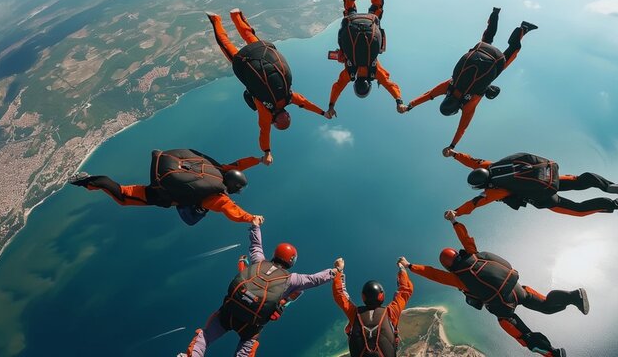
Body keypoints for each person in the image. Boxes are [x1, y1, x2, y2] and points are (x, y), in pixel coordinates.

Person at [399, 217, 589, 357]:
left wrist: (409, 266)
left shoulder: (458, 279)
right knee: (547, 305)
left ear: (448, 267)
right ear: (457, 254)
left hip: (503, 306)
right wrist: (454, 221)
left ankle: (553, 354)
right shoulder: (475, 254)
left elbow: (432, 273)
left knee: (524, 336)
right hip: (518, 289)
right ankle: (574, 296)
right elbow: (466, 238)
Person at [182, 222, 344, 357]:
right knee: (245, 349)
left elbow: (255, 246)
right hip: (251, 324)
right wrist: (335, 270)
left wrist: (255, 226)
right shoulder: (291, 279)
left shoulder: (258, 262)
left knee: (205, 336)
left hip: (229, 312)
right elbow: (314, 279)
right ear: (291, 261)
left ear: (275, 254)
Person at [399, 8, 537, 155]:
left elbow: (462, 128)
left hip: (497, 59)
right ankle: (495, 13)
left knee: (512, 50)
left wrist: (452, 146)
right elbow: (428, 95)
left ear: (456, 108)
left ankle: (523, 28)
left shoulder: (468, 105)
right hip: (481, 48)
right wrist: (409, 106)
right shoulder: (450, 86)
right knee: (488, 37)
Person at [206, 9, 328, 165]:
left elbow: (306, 103)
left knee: (249, 35)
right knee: (225, 44)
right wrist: (267, 152)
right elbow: (264, 133)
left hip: (265, 51)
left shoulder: (289, 97)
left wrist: (323, 113)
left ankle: (236, 15)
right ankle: (215, 19)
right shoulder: (266, 111)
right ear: (274, 121)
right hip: (245, 61)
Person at [68, 149, 262, 225]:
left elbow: (237, 164)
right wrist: (252, 218)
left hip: (166, 166)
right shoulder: (216, 195)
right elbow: (231, 210)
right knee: (123, 198)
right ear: (232, 186)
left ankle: (91, 181)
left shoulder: (219, 170)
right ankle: (89, 181)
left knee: (125, 193)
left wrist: (259, 160)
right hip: (162, 193)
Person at [445, 148, 618, 218]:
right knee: (578, 181)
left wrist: (457, 212)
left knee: (577, 210)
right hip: (548, 175)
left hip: (545, 196)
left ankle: (613, 204)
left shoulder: (497, 190)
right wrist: (454, 154)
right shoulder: (491, 166)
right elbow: (471, 161)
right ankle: (606, 184)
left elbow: (476, 203)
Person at [325, 0, 404, 118]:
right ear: (356, 82)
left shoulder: (375, 71)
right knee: (350, 10)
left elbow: (390, 85)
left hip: (371, 20)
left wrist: (399, 101)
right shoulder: (350, 72)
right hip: (351, 21)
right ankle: (350, 2)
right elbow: (337, 87)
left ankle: (374, 1)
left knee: (376, 8)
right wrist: (331, 106)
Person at [332, 257, 413, 356]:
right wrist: (402, 269)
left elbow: (340, 295)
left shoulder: (355, 314)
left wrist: (339, 270)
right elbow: (405, 290)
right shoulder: (390, 312)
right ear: (381, 296)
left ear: (363, 297)